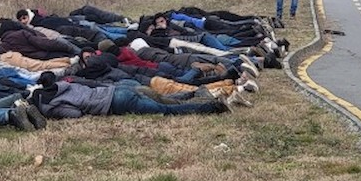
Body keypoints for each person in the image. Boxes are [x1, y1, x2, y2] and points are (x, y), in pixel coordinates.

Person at [30, 72, 229, 119]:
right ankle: (195, 95)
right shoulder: (62, 84)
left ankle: (212, 107)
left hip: (115, 104)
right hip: (116, 90)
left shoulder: (49, 105)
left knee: (166, 110)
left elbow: (75, 115)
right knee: (159, 99)